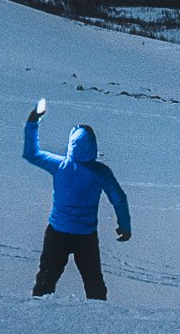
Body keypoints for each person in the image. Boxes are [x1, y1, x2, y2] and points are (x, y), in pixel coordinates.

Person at [20, 98, 132, 299]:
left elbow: (31, 154)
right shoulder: (101, 172)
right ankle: (100, 318)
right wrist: (125, 225)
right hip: (85, 237)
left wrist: (33, 121)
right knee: (93, 282)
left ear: (71, 144)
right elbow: (119, 199)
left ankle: (37, 313)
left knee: (46, 279)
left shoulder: (60, 165)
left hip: (57, 233)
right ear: (93, 145)